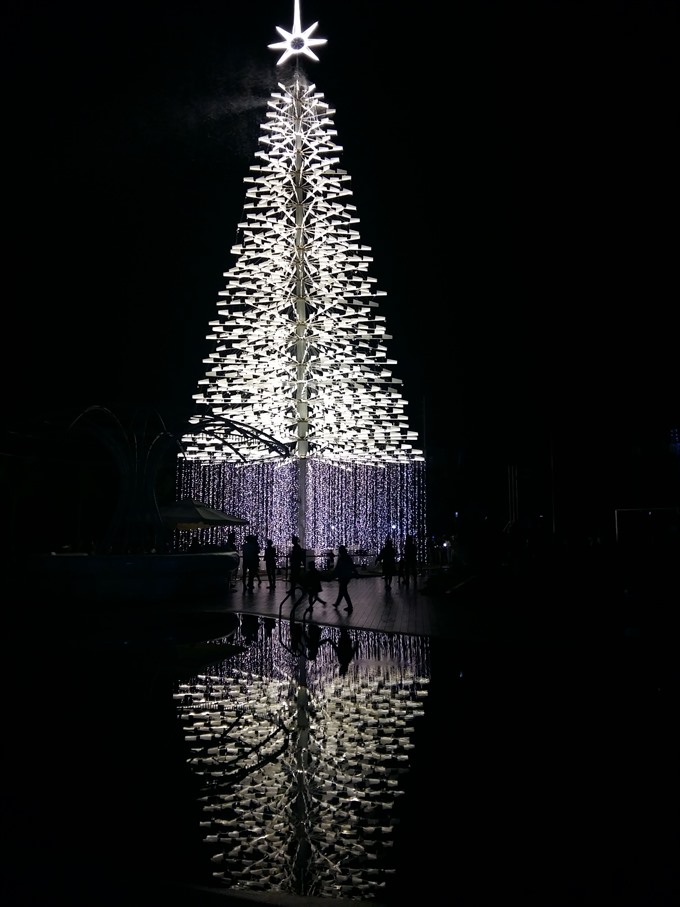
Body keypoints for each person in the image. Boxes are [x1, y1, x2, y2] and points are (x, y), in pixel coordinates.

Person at [332, 544, 359, 612]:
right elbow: (352, 566)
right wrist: (355, 573)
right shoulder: (346, 557)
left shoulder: (341, 557)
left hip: (343, 576)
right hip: (346, 576)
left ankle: (349, 606)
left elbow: (338, 567)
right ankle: (338, 603)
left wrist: (333, 574)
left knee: (343, 591)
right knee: (342, 590)